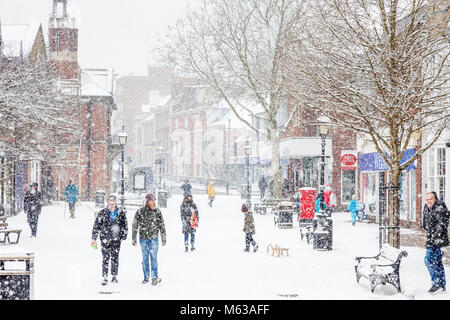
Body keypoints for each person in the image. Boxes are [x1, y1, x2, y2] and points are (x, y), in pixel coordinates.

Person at [91, 194, 128, 286]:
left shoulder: (120, 212)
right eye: (110, 202)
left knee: (115, 257)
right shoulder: (102, 212)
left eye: (113, 202)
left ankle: (114, 275)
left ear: (115, 202)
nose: (112, 204)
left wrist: (124, 234)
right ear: (107, 202)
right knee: (105, 258)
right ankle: (105, 276)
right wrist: (94, 238)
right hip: (105, 239)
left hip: (116, 239)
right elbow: (96, 226)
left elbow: (125, 224)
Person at [132, 193, 166, 285]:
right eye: (151, 200)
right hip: (143, 238)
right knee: (145, 258)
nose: (153, 201)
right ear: (147, 201)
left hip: (154, 238)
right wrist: (134, 239)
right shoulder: (140, 212)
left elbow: (162, 225)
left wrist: (163, 238)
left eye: (154, 200)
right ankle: (146, 277)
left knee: (154, 258)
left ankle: (154, 277)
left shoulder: (157, 211)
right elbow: (135, 225)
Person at [422, 191, 449, 294]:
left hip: (438, 241)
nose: (428, 201)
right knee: (437, 262)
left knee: (428, 260)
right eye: (427, 199)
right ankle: (441, 285)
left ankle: (437, 284)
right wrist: (426, 209)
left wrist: (434, 239)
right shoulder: (429, 208)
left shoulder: (440, 209)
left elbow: (441, 226)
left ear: (435, 199)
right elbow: (425, 224)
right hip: (433, 240)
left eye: (431, 199)